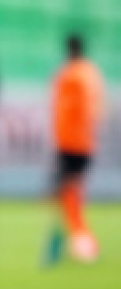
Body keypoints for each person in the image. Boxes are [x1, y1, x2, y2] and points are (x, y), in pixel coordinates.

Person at [45, 34, 105, 265]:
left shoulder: (70, 74)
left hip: (70, 141)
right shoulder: (91, 72)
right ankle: (76, 239)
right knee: (71, 191)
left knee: (65, 191)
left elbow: (65, 108)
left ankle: (79, 241)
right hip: (84, 141)